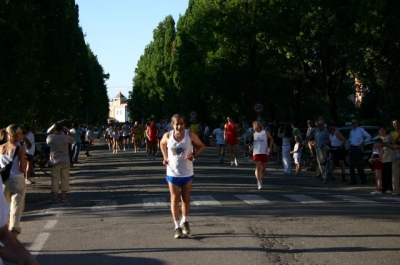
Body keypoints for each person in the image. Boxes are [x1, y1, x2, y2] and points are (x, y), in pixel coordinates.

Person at [160, 114, 205, 239]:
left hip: (187, 173)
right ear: (172, 125)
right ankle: (177, 227)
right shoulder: (168, 136)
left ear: (184, 124)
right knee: (175, 198)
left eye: (181, 123)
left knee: (185, 199)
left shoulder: (190, 135)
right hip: (172, 172)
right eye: (177, 124)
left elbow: (202, 146)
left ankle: (184, 221)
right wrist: (165, 157)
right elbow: (162, 144)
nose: (179, 126)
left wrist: (194, 155)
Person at [0, 176, 39, 264]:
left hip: (6, 181)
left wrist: (27, 259)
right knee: (15, 212)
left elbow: (3, 233)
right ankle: (14, 230)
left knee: (10, 213)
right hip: (17, 180)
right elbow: (23, 167)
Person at [0, 125, 27, 237]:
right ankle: (13, 237)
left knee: (5, 211)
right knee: (16, 210)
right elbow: (22, 169)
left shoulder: (1, 147)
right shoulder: (20, 149)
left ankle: (5, 237)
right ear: (14, 134)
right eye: (20, 133)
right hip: (17, 181)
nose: (22, 135)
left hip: (3, 182)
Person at [46, 122, 74, 203]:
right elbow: (73, 139)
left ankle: (55, 197)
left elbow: (47, 140)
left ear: (54, 129)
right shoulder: (66, 137)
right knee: (65, 179)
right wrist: (69, 131)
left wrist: (51, 131)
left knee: (55, 179)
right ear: (62, 129)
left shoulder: (51, 137)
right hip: (65, 161)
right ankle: (63, 197)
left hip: (54, 161)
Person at [348, 119, 371, 185]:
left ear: (357, 123)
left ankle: (363, 180)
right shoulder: (351, 131)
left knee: (359, 165)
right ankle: (353, 180)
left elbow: (368, 136)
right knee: (351, 165)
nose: (353, 124)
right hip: (352, 148)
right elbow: (350, 139)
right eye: (352, 123)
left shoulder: (361, 130)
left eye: (355, 123)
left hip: (358, 148)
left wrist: (363, 144)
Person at [252, 121, 273, 189]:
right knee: (258, 167)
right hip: (256, 152)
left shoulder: (265, 132)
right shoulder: (254, 134)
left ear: (258, 126)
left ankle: (261, 178)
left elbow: (271, 139)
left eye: (254, 127)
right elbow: (255, 143)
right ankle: (258, 182)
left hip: (264, 151)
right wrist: (252, 148)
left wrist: (270, 147)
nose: (254, 128)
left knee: (263, 168)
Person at [378, 126, 394, 194]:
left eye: (383, 129)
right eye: (380, 130)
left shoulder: (389, 137)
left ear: (385, 131)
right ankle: (384, 187)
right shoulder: (378, 138)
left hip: (389, 157)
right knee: (383, 174)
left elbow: (393, 144)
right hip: (382, 158)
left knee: (388, 173)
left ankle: (389, 188)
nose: (382, 131)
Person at [388, 119, 400, 195]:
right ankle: (396, 190)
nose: (395, 125)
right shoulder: (392, 133)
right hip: (396, 154)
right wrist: (394, 146)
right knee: (395, 173)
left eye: (396, 123)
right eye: (394, 123)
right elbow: (388, 143)